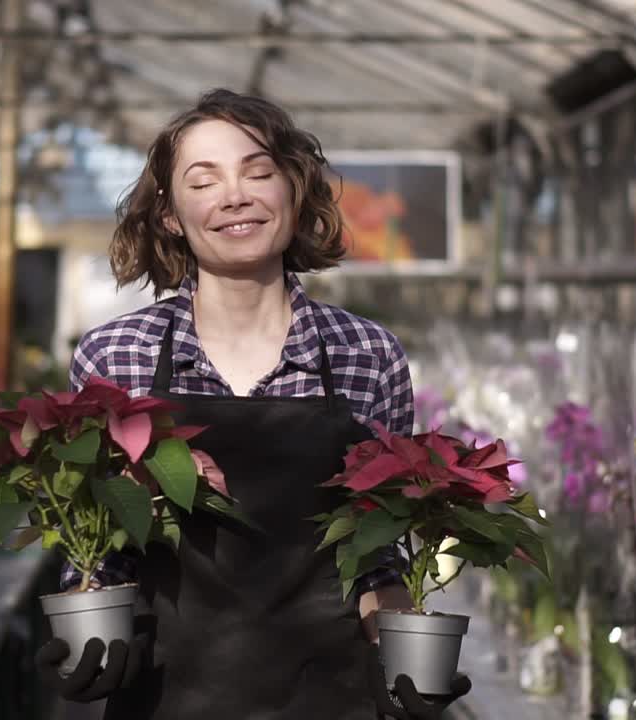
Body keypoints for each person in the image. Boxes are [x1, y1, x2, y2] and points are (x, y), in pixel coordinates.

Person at [35, 88, 471, 719]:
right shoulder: (116, 356)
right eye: (203, 182)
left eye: (258, 172)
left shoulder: (366, 353)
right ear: (169, 215)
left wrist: (407, 662)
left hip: (330, 697)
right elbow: (100, 538)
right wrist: (83, 629)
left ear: (293, 191)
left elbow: (378, 550)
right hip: (166, 695)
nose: (235, 196)